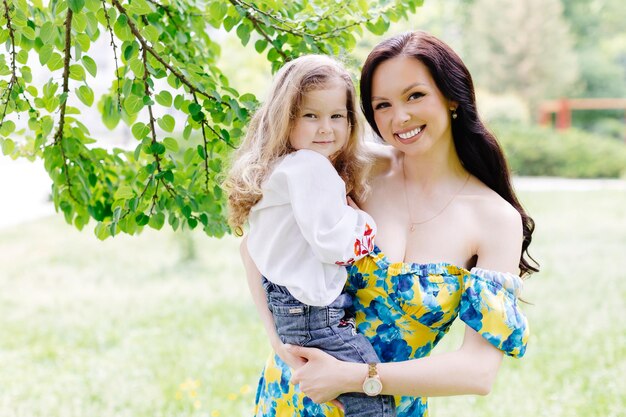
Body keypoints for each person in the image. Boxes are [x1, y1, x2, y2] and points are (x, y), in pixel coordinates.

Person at [242, 31, 539, 417]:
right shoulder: (356, 168)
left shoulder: (496, 219)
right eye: (382, 105)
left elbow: (478, 372)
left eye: (415, 96)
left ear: (452, 97)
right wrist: (280, 342)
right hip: (293, 395)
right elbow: (256, 245)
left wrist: (356, 377)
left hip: (386, 408)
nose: (399, 117)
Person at [225, 54, 396, 417]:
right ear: (284, 120)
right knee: (374, 404)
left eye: (337, 116)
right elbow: (336, 247)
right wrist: (362, 221)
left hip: (290, 310)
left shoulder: (282, 168)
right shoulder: (310, 167)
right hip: (312, 314)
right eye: (310, 116)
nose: (326, 128)